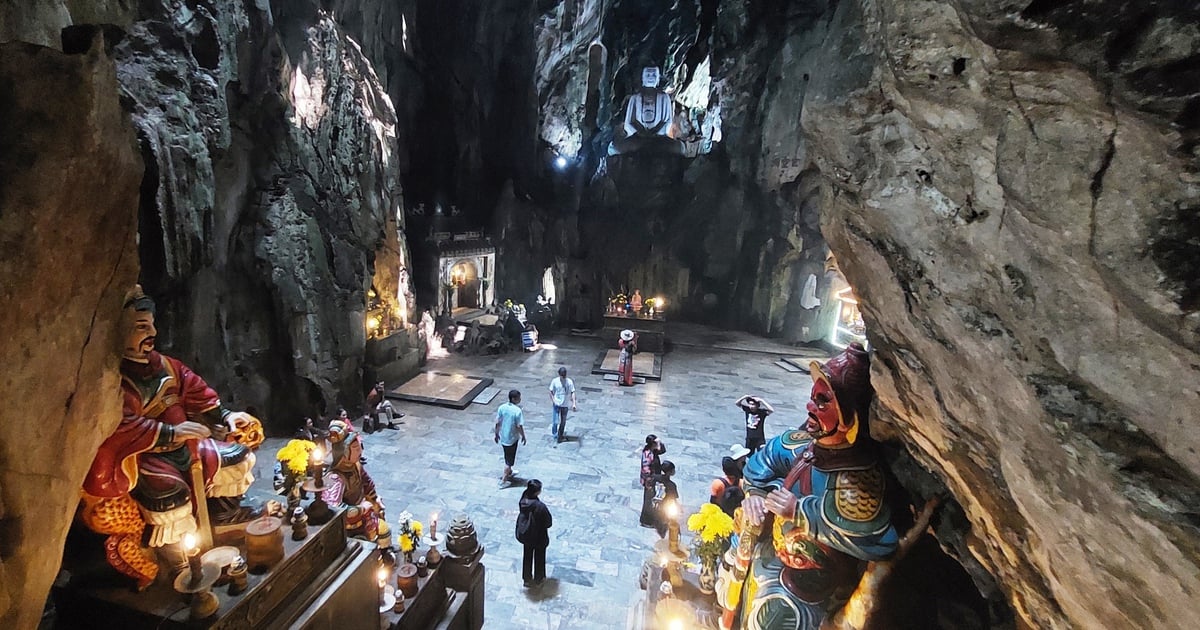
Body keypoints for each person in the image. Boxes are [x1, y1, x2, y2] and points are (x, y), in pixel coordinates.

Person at [80, 287, 263, 588]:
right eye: (141, 327)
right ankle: (179, 557)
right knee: (169, 497)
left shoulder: (167, 366)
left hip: (189, 446)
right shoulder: (115, 381)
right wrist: (171, 433)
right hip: (147, 457)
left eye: (151, 324)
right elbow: (120, 426)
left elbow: (196, 391)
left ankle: (224, 515)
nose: (151, 332)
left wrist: (226, 416)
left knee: (236, 457)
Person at [723, 342, 898, 630]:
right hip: (771, 553)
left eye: (822, 401)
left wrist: (799, 511)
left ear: (847, 417)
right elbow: (762, 462)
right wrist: (754, 494)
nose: (810, 407)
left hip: (808, 585)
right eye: (813, 397)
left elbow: (875, 538)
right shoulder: (803, 445)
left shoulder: (856, 477)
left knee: (771, 619)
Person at [321, 420, 387, 544]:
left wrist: (374, 499)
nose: (360, 452)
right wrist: (360, 509)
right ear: (344, 453)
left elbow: (368, 484)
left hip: (366, 516)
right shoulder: (335, 478)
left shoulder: (356, 466)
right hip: (350, 528)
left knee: (383, 532)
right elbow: (333, 508)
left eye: (359, 447)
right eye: (355, 449)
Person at [516, 479, 553, 587]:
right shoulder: (540, 506)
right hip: (538, 536)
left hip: (526, 534)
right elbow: (548, 523)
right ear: (537, 492)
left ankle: (526, 578)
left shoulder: (523, 498)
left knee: (527, 556)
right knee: (539, 557)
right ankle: (539, 579)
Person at [494, 389, 527, 488]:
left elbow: (497, 422)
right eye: (519, 398)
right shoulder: (517, 411)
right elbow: (519, 426)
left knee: (507, 455)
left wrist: (496, 434)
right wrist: (523, 436)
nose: (520, 399)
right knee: (509, 460)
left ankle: (510, 471)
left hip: (504, 437)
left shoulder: (502, 407)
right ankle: (504, 480)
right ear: (514, 399)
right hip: (512, 438)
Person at [639, 434, 666, 527]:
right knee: (648, 500)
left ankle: (651, 518)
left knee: (652, 499)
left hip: (654, 479)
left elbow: (663, 450)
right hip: (649, 482)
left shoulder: (653, 451)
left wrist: (659, 442)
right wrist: (651, 479)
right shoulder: (647, 453)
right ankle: (646, 521)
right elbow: (646, 469)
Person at [548, 367, 577, 442]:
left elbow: (572, 392)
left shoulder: (569, 382)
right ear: (559, 375)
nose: (563, 377)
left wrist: (574, 403)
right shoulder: (555, 381)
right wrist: (553, 400)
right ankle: (555, 434)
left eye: (564, 375)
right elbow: (550, 391)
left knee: (563, 421)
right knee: (555, 421)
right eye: (562, 375)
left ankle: (560, 435)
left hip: (565, 405)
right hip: (557, 404)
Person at [652, 460, 679, 539]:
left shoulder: (655, 477)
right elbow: (674, 498)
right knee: (665, 518)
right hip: (665, 505)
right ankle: (662, 532)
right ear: (670, 472)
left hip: (656, 504)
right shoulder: (671, 485)